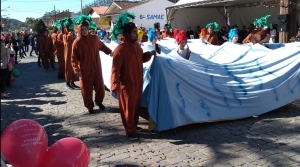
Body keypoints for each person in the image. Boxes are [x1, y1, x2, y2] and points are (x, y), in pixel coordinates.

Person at [110, 12, 156, 140]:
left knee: (136, 106)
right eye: (134, 32)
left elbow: (140, 59)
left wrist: (150, 54)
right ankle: (130, 131)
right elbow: (115, 69)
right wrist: (115, 85)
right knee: (128, 108)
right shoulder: (120, 50)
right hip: (127, 85)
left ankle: (134, 125)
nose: (137, 34)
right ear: (127, 34)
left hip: (137, 82)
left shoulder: (137, 46)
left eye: (137, 32)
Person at [71, 14, 112, 114]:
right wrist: (76, 70)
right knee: (86, 89)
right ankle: (89, 106)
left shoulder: (94, 38)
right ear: (79, 30)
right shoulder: (76, 42)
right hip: (85, 70)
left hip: (97, 68)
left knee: (100, 87)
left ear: (88, 29)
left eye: (85, 29)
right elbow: (73, 58)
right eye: (82, 29)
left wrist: (110, 52)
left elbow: (102, 46)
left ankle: (99, 101)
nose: (84, 31)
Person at [60, 17, 79, 89]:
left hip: (73, 54)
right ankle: (67, 83)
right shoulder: (64, 36)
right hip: (68, 54)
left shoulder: (73, 35)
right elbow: (67, 42)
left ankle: (72, 82)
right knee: (68, 68)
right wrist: (70, 35)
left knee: (74, 67)